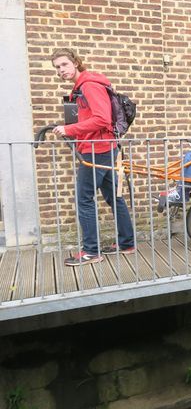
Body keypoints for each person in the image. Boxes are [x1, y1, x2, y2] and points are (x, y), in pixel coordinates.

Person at [51, 48, 136, 266]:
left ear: (76, 63)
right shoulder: (85, 85)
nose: (61, 70)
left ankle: (91, 251)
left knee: (84, 200)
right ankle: (127, 243)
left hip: (96, 150)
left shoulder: (89, 85)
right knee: (114, 197)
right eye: (57, 67)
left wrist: (70, 130)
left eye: (64, 64)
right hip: (104, 148)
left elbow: (102, 120)